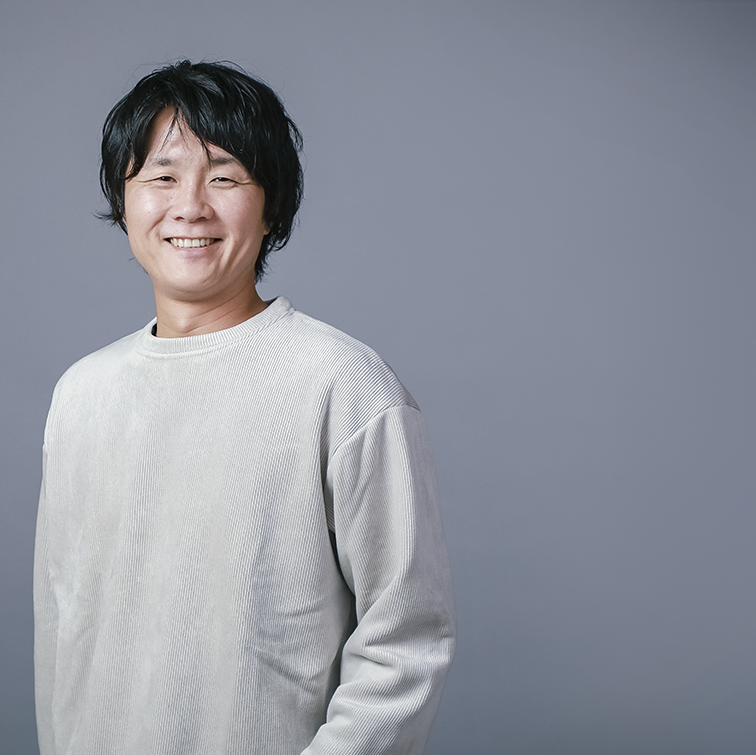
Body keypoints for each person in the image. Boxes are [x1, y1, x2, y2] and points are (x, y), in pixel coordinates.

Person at [33, 60, 455, 754]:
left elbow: (405, 640)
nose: (190, 206)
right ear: (124, 198)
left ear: (272, 205)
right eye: (161, 177)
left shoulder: (343, 385)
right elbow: (61, 628)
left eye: (224, 177)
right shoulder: (81, 394)